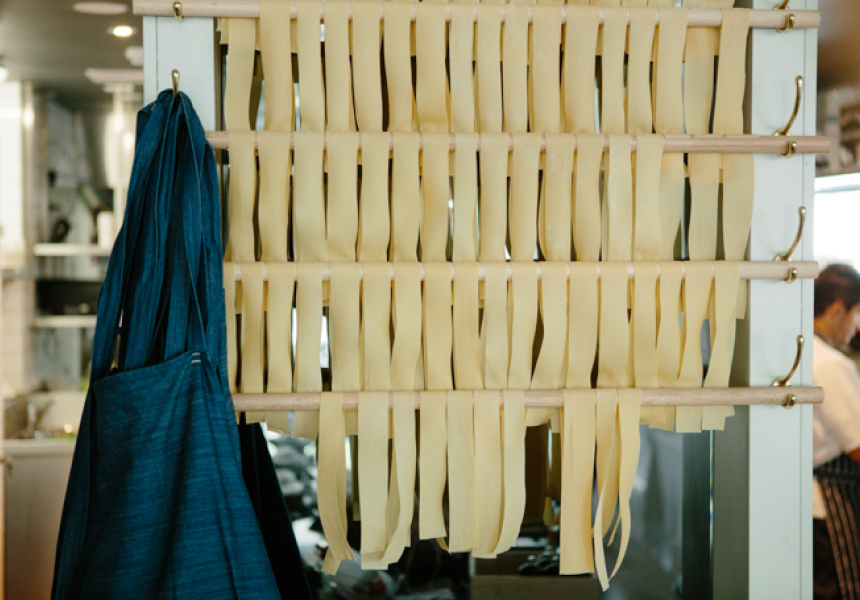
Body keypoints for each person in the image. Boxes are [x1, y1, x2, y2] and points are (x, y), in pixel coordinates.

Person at [812, 264, 860, 600]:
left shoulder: (804, 351)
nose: (856, 327)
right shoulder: (830, 363)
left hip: (814, 503)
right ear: (838, 309)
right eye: (856, 314)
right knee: (843, 591)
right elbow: (857, 445)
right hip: (831, 503)